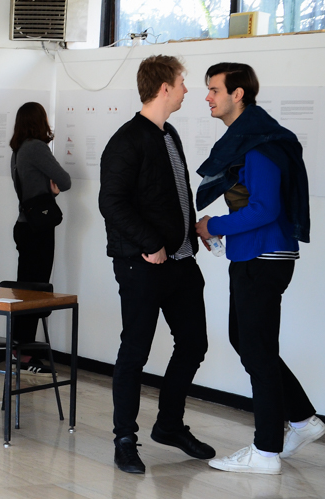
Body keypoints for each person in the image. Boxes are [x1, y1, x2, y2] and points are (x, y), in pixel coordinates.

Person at [195, 63, 321, 475]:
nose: (208, 97)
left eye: (215, 90)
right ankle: (302, 419)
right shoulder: (253, 137)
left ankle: (266, 451)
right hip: (257, 255)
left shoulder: (259, 143)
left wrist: (214, 225)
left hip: (263, 257)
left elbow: (265, 209)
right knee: (248, 341)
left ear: (238, 94)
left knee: (257, 350)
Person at [98, 54, 215, 474]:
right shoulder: (127, 139)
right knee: (135, 352)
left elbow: (172, 196)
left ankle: (169, 425)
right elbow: (111, 202)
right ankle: (125, 440)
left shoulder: (170, 134)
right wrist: (150, 243)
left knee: (194, 344)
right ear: (164, 88)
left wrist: (191, 235)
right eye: (182, 82)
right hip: (142, 264)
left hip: (180, 261)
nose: (187, 89)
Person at [9, 102, 71, 372]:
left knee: (25, 290)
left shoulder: (17, 151)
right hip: (38, 229)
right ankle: (24, 354)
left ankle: (19, 349)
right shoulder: (36, 147)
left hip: (24, 226)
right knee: (35, 291)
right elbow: (65, 181)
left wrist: (47, 188)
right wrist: (52, 190)